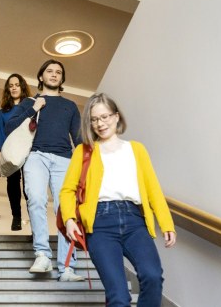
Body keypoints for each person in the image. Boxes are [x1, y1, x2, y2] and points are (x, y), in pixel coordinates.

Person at [60, 93, 176, 307]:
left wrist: (166, 223)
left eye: (104, 117)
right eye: (94, 119)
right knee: (119, 296)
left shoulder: (137, 149)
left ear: (116, 116)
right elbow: (67, 190)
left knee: (152, 277)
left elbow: (153, 189)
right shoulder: (83, 151)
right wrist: (69, 220)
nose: (100, 124)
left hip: (134, 222)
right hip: (100, 225)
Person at [4, 59, 84, 281]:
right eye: (50, 71)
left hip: (64, 159)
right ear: (41, 76)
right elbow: (9, 127)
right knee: (36, 199)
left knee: (65, 208)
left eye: (58, 72)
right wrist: (33, 108)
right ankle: (42, 255)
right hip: (35, 156)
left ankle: (67, 267)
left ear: (62, 78)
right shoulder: (29, 102)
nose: (54, 74)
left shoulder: (70, 106)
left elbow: (78, 138)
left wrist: (86, 165)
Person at [0, 74, 32, 231]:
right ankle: (16, 216)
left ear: (22, 87)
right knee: (12, 182)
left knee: (29, 185)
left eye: (17, 85)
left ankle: (34, 217)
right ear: (8, 90)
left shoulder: (31, 107)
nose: (14, 88)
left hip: (29, 151)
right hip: (11, 152)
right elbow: (0, 138)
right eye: (11, 86)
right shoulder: (2, 113)